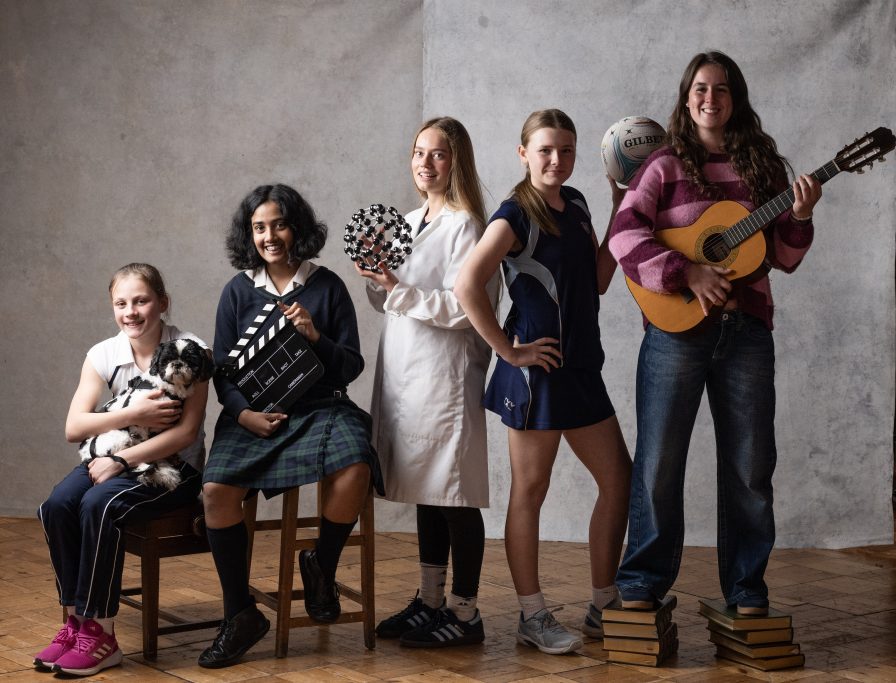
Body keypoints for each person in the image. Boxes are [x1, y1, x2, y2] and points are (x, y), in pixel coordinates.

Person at [609, 51, 822, 616]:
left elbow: (784, 258)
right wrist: (688, 273)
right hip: (675, 332)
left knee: (751, 466)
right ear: (686, 98)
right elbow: (623, 236)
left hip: (746, 331)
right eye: (701, 88)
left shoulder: (763, 168)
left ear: (736, 99)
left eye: (722, 89)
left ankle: (747, 588)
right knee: (659, 462)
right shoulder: (663, 165)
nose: (711, 98)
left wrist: (800, 216)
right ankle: (642, 584)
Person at [454, 109, 632, 654]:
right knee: (531, 492)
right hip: (537, 375)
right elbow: (466, 285)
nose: (557, 160)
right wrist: (508, 350)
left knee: (619, 480)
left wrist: (620, 208)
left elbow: (599, 279)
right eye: (546, 150)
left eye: (567, 150)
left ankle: (603, 604)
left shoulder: (576, 203)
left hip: (581, 368)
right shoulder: (513, 216)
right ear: (523, 153)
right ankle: (532, 615)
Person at [198, 183, 382, 668]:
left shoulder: (327, 286)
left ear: (296, 228)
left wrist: (316, 336)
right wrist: (243, 414)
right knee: (215, 491)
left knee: (357, 465)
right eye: (259, 227)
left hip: (321, 407)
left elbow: (351, 366)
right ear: (249, 234)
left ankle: (321, 563)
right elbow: (222, 371)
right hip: (252, 412)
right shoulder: (237, 291)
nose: (269, 236)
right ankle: (240, 613)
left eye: (279, 224)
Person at [356, 117, 499, 647]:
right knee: (426, 490)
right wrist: (377, 279)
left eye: (438, 154)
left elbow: (467, 308)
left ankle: (465, 613)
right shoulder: (408, 221)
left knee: (454, 493)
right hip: (405, 373)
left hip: (445, 376)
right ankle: (430, 600)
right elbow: (389, 301)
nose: (425, 163)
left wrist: (398, 289)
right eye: (419, 152)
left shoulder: (467, 227)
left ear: (456, 161)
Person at [36, 263, 211, 676]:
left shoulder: (192, 351)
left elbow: (186, 432)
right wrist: (132, 414)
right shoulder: (104, 354)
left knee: (98, 505)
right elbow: (74, 427)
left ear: (163, 303)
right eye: (121, 303)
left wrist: (120, 461)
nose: (130, 312)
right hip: (117, 453)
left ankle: (101, 634)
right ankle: (75, 621)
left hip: (171, 467)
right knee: (56, 505)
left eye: (141, 301)